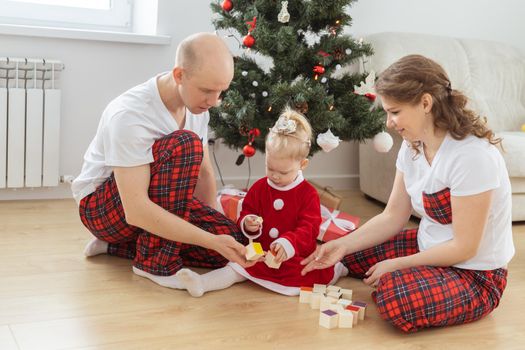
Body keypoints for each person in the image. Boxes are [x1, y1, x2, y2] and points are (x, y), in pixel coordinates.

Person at [301, 54, 515, 332]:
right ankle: (413, 274)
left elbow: (465, 248)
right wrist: (343, 245)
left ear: (426, 103)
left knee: (394, 297)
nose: (389, 122)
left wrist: (398, 265)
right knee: (348, 253)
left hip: (474, 274)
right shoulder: (413, 145)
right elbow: (392, 216)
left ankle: (415, 279)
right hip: (428, 247)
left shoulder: (471, 157)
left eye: (395, 112)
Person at [72, 32, 255, 289]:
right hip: (104, 211)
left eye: (221, 92)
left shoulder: (198, 107)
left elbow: (204, 174)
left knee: (232, 242)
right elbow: (135, 209)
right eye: (207, 91)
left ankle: (118, 248)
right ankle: (152, 264)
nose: (214, 102)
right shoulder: (129, 115)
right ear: (180, 75)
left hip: (155, 202)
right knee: (185, 145)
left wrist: (218, 233)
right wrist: (208, 239)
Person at [175, 107, 348, 297]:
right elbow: (247, 210)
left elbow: (309, 229)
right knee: (236, 266)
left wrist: (287, 243)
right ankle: (201, 283)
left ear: (302, 165)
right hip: (260, 252)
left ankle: (337, 270)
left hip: (291, 256)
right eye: (269, 167)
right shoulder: (259, 187)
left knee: (306, 276)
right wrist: (248, 222)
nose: (275, 176)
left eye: (283, 172)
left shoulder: (307, 194)